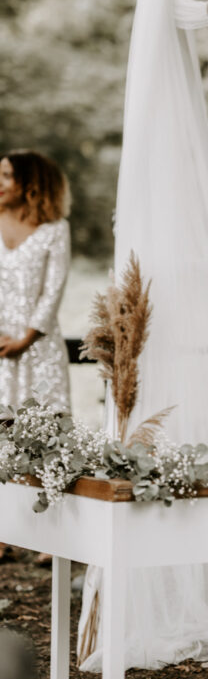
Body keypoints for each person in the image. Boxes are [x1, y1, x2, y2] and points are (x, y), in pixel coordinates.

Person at [0, 150, 71, 563]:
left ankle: (52, 534)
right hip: (0, 348)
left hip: (39, 347)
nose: (0, 182)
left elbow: (54, 287)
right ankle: (5, 532)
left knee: (48, 433)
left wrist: (27, 336)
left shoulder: (54, 229)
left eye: (7, 175)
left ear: (30, 182)